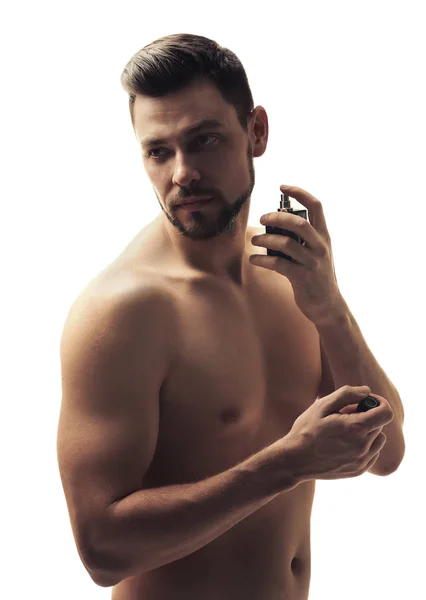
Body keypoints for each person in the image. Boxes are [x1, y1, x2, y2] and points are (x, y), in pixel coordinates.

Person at [56, 33, 400, 600]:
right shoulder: (123, 313)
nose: (182, 173)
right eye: (158, 151)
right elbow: (102, 551)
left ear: (256, 132)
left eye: (205, 139)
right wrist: (284, 465)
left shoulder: (289, 272)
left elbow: (387, 453)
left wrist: (329, 307)